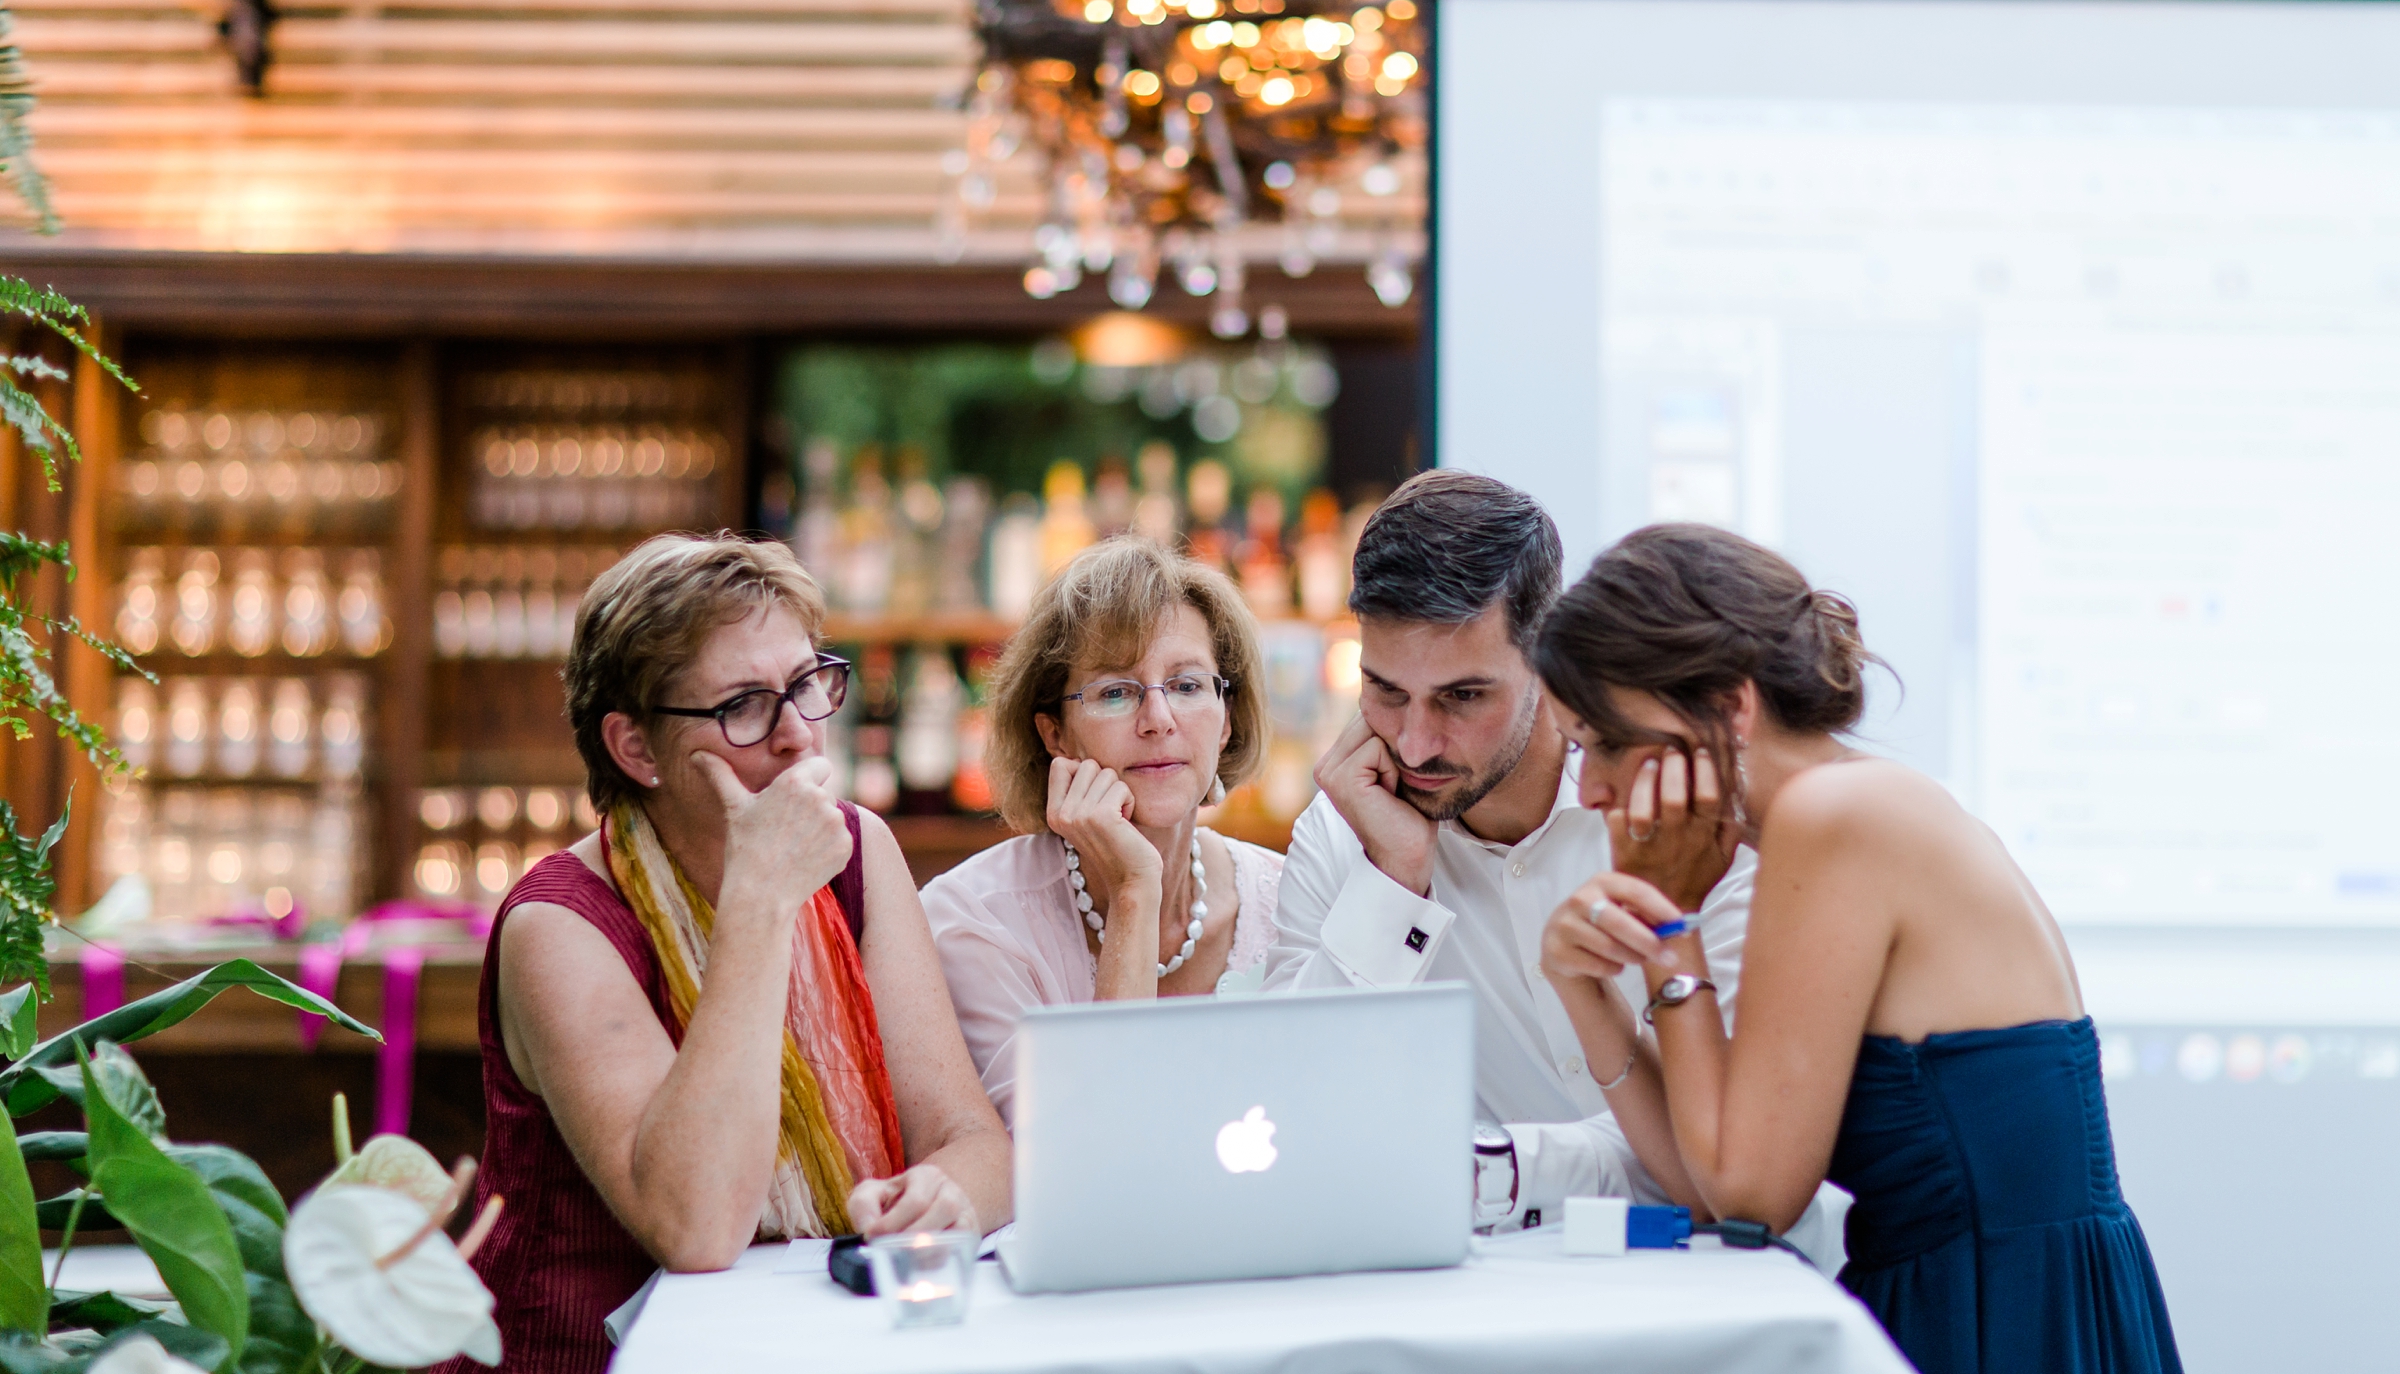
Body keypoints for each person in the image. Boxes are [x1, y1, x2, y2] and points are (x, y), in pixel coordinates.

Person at [1533, 523, 2180, 1374]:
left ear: (1732, 706)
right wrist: (1586, 991)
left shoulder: (1836, 816)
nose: (1591, 789)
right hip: (1992, 1293)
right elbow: (1703, 1181)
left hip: (1997, 1313)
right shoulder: (1853, 810)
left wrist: (1671, 926)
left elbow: (1751, 1196)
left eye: (1608, 741)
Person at [457, 534, 1011, 1374]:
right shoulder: (559, 925)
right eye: (745, 705)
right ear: (636, 748)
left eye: (806, 685)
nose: (798, 735)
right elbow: (699, 1225)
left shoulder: (860, 851)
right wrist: (759, 903)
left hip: (813, 1346)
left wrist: (947, 1195)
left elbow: (977, 1143)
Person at [1261, 471, 1803, 1241]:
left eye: (1462, 697)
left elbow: (1720, 1152)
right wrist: (1392, 882)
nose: (1414, 743)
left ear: (1547, 661)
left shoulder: (1689, 818)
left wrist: (1493, 1165)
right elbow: (1286, 1112)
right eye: (1384, 691)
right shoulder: (1346, 832)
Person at [922, 536, 1284, 1127]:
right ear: (1054, 735)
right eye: (1116, 692)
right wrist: (1134, 894)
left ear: (1227, 720)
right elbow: (1089, 1153)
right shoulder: (973, 923)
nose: (1159, 720)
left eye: (1189, 686)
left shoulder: (1287, 900)